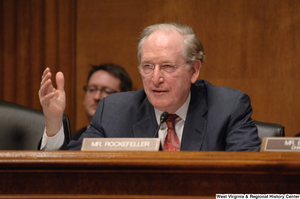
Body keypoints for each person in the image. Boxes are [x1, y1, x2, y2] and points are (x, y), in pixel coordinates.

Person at [39, 22, 261, 151]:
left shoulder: (227, 108)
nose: (156, 78)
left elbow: (250, 176)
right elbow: (72, 167)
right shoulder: (114, 111)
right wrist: (54, 123)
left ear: (193, 70)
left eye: (167, 66)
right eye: (148, 66)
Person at [72, 64, 132, 140]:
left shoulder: (134, 139)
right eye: (92, 89)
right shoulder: (72, 141)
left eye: (107, 91)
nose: (96, 97)